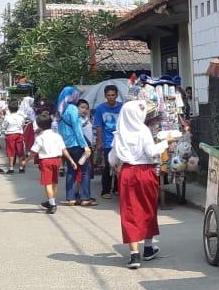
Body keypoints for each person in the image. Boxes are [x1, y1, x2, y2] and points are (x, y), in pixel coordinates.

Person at [108, 100, 165, 269]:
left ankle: (134, 255)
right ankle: (148, 247)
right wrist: (165, 142)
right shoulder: (143, 131)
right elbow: (151, 152)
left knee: (129, 211)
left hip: (126, 173)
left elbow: (112, 159)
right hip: (145, 172)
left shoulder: (119, 133)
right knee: (148, 208)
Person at [55, 86, 94, 206]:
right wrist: (85, 146)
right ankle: (85, 198)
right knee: (85, 170)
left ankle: (70, 198)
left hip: (66, 146)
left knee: (71, 171)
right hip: (77, 144)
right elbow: (77, 129)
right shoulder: (72, 109)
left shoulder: (60, 110)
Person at [29, 114, 66, 215]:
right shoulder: (57, 135)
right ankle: (51, 201)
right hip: (56, 160)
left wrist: (26, 160)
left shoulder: (40, 137)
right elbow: (63, 149)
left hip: (46, 161)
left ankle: (52, 205)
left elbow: (34, 151)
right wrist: (70, 160)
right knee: (54, 182)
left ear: (39, 125)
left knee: (47, 183)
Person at [93, 85, 123, 199]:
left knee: (120, 165)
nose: (111, 97)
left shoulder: (122, 107)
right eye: (109, 95)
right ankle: (105, 190)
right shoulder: (100, 108)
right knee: (108, 166)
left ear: (116, 95)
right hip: (107, 142)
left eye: (113, 95)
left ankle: (117, 188)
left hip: (120, 141)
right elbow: (99, 127)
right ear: (105, 96)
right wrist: (99, 142)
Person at [3, 100, 26, 174]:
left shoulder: (7, 117)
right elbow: (22, 125)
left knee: (11, 151)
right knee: (20, 151)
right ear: (17, 108)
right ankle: (21, 168)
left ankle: (11, 168)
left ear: (9, 109)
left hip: (10, 134)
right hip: (19, 134)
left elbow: (4, 126)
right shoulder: (21, 117)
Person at [20, 96, 37, 162]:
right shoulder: (30, 109)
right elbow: (33, 119)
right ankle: (26, 152)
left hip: (22, 125)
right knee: (29, 139)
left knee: (23, 138)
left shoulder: (20, 109)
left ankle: (23, 152)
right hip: (29, 125)